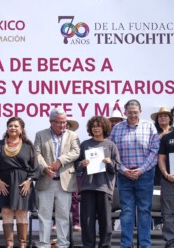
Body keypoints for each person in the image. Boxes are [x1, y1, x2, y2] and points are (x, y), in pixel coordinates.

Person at [109, 99, 159, 248]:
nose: (132, 115)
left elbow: (155, 151)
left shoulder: (149, 127)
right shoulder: (117, 128)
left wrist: (141, 169)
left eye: (135, 112)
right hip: (124, 176)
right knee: (127, 211)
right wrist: (123, 169)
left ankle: (145, 245)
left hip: (145, 175)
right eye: (130, 113)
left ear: (140, 112)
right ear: (125, 113)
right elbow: (112, 153)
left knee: (144, 211)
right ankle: (126, 245)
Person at [0, 117, 39, 248]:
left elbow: (35, 166)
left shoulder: (28, 145)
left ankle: (22, 244)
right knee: (6, 212)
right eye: (10, 125)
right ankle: (9, 244)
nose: (13, 128)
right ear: (7, 128)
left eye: (16, 126)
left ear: (21, 129)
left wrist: (29, 181)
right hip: (4, 183)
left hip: (23, 183)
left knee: (21, 212)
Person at [34, 108, 80, 248]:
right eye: (59, 122)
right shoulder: (40, 135)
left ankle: (63, 245)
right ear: (51, 121)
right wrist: (44, 168)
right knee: (44, 216)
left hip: (64, 182)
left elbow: (76, 152)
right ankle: (44, 244)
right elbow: (36, 154)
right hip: (46, 181)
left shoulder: (73, 135)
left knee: (63, 217)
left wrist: (61, 160)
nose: (62, 125)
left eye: (64, 122)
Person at [75, 116, 120, 247]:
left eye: (98, 126)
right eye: (93, 126)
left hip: (104, 187)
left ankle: (105, 245)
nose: (96, 128)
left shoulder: (111, 145)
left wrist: (109, 162)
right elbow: (76, 166)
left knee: (105, 222)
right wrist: (82, 164)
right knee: (87, 222)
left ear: (104, 127)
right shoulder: (85, 144)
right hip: (87, 187)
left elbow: (117, 167)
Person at [158, 104, 174, 247]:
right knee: (168, 214)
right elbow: (161, 159)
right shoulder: (167, 137)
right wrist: (166, 175)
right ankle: (171, 242)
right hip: (170, 182)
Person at [151, 106, 174, 186]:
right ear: (157, 119)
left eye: (165, 116)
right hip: (156, 166)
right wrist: (160, 137)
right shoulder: (153, 132)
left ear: (170, 118)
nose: (163, 118)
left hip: (173, 164)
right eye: (160, 116)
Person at [66, 119, 82, 232]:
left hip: (73, 173)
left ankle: (76, 222)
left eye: (67, 125)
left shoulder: (75, 139)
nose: (64, 126)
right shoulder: (53, 139)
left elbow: (78, 156)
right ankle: (57, 222)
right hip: (58, 172)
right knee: (57, 199)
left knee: (74, 199)